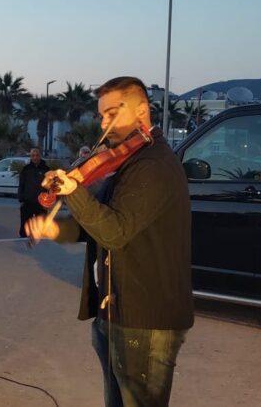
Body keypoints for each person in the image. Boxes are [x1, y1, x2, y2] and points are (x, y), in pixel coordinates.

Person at [26, 76, 193, 407]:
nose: (103, 124)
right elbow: (97, 223)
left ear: (141, 110)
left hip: (144, 319)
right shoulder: (125, 161)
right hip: (115, 310)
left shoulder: (153, 165)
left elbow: (114, 231)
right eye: (101, 115)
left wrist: (74, 191)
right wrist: (56, 230)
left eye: (112, 114)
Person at [17, 148, 50, 237]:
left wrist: (48, 202)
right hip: (27, 201)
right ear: (30, 157)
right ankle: (23, 238)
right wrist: (21, 199)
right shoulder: (26, 169)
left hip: (42, 202)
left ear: (40, 156)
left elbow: (50, 187)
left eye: (37, 155)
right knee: (25, 225)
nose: (35, 157)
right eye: (33, 156)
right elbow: (21, 185)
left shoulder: (46, 169)